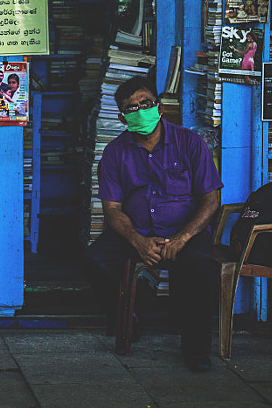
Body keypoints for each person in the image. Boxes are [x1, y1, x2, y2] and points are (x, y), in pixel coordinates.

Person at [82, 75, 222, 372]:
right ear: (122, 118)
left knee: (201, 265)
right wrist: (138, 241)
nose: (141, 111)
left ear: (159, 108)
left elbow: (210, 200)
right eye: (132, 108)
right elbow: (112, 209)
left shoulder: (190, 143)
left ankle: (196, 350)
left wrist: (182, 238)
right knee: (94, 260)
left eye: (146, 103)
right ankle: (127, 316)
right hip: (137, 231)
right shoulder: (114, 153)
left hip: (185, 231)